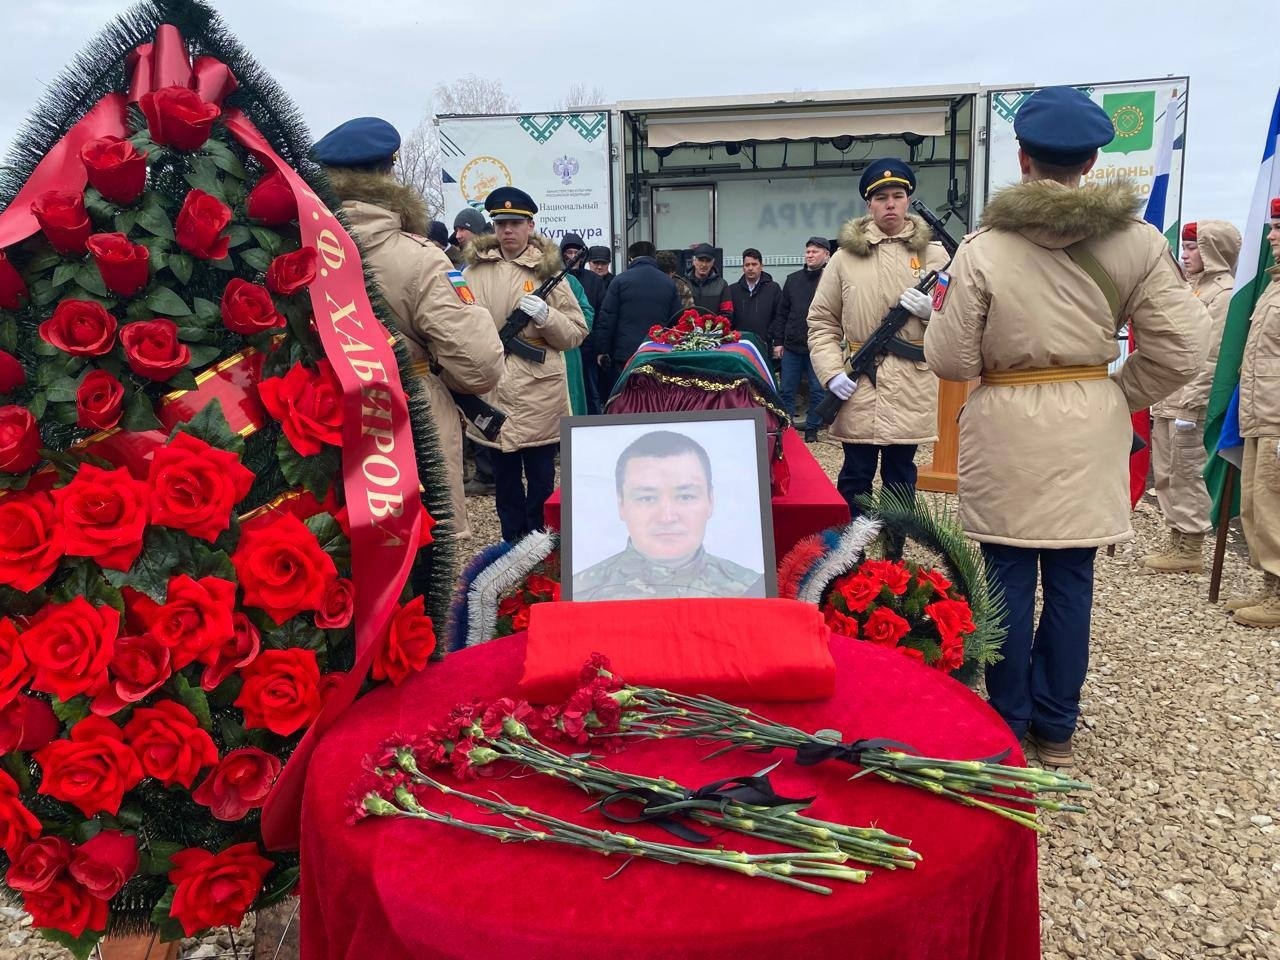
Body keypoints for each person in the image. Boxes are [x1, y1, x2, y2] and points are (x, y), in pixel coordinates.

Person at [923, 86, 1208, 765]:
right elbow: (1184, 347)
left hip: (1007, 422)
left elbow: (951, 359)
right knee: (1073, 578)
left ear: (1022, 159)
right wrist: (1115, 392)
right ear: (1092, 162)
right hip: (1089, 421)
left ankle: (1007, 718)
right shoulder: (1138, 242)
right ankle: (1057, 726)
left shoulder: (983, 248)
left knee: (1006, 574)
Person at [312, 117, 504, 539]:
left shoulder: (295, 249)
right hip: (406, 423)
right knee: (414, 556)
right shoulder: (420, 258)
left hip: (316, 421)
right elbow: (479, 365)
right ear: (389, 172)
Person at [809, 161, 947, 517]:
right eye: (881, 197)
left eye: (897, 196)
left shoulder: (935, 256)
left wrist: (932, 313)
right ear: (869, 204)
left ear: (908, 200)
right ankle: (851, 547)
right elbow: (822, 323)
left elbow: (960, 319)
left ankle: (894, 545)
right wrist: (831, 372)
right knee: (856, 474)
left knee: (901, 476)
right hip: (859, 383)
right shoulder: (844, 258)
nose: (890, 204)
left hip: (911, 384)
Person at [463, 186, 588, 542]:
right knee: (504, 481)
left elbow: (576, 332)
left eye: (516, 223)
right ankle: (511, 544)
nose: (508, 230)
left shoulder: (549, 273)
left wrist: (548, 317)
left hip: (539, 391)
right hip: (494, 386)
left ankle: (541, 545)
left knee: (541, 479)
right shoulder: (473, 273)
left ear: (530, 226)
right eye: (501, 223)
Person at [1142, 220, 1241, 573]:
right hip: (1168, 396)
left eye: (1193, 247)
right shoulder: (1189, 289)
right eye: (1183, 248)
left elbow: (1212, 356)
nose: (1185, 255)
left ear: (1214, 249)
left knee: (1187, 472)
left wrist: (1192, 401)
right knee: (1166, 472)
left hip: (1190, 402)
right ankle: (1176, 536)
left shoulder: (1224, 294)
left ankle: (1191, 545)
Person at [572, 430, 766, 600]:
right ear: (621, 504)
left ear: (710, 501)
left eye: (686, 496)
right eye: (646, 498)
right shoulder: (581, 593)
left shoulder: (750, 589)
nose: (667, 517)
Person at [1228, 197, 1280, 628]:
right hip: (1261, 413)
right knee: (1258, 504)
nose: (1270, 236)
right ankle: (1270, 582)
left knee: (1276, 504)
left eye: (1279, 228)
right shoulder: (1273, 286)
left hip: (1277, 417)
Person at [592, 241, 683, 404]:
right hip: (657, 350)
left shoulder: (619, 281)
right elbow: (676, 320)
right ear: (653, 257)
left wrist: (602, 349)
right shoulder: (668, 283)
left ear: (631, 258)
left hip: (625, 354)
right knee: (656, 399)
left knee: (626, 399)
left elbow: (607, 318)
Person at [773, 237, 832, 443]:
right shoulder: (792, 280)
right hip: (792, 345)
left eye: (815, 251)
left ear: (827, 255)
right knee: (787, 389)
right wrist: (778, 342)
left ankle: (812, 428)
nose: (810, 255)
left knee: (818, 390)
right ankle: (787, 428)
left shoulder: (831, 281)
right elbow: (782, 313)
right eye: (808, 251)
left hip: (819, 345)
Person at [560, 233, 607, 413]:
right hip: (565, 346)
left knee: (592, 393)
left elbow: (600, 314)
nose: (572, 256)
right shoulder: (557, 279)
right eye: (569, 252)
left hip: (588, 347)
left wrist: (599, 347)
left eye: (576, 252)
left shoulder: (594, 280)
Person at [729, 248, 782, 347]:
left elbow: (779, 317)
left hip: (765, 344)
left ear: (761, 266)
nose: (750, 268)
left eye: (754, 264)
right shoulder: (732, 290)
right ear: (743, 267)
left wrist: (771, 338)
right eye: (747, 265)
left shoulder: (773, 288)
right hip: (739, 344)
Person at [686, 243, 733, 317]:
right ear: (694, 261)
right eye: (701, 260)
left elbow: (727, 313)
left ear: (713, 262)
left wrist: (713, 323)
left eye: (708, 261)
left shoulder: (722, 285)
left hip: (714, 324)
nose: (704, 265)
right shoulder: (683, 283)